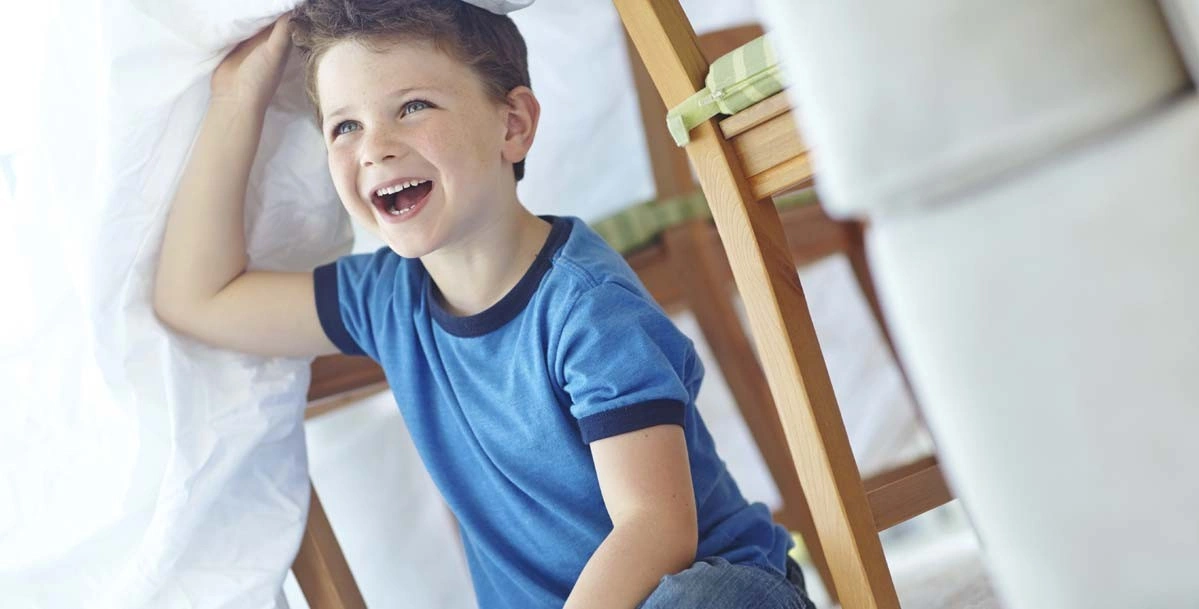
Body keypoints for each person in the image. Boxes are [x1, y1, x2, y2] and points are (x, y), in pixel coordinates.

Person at [153, 1, 815, 607]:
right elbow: (195, 297)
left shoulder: (585, 306)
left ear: (513, 124)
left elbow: (657, 528)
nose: (375, 146)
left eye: (412, 106)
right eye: (344, 125)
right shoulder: (386, 301)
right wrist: (237, 96)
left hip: (714, 586)